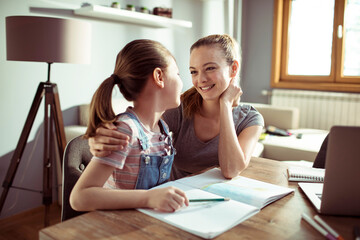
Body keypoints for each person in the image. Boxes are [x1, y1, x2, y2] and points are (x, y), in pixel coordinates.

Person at [88, 34, 264, 180]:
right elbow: (138, 128)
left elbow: (231, 170)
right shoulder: (180, 108)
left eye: (210, 68)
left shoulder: (250, 119)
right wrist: (96, 139)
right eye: (193, 71)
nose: (200, 79)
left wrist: (225, 105)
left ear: (233, 69)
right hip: (173, 200)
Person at [70, 39, 189, 213]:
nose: (182, 82)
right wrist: (149, 198)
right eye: (177, 74)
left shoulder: (161, 127)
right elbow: (79, 197)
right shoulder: (126, 130)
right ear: (159, 77)